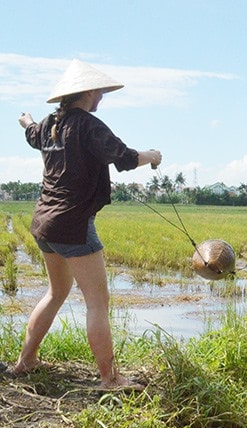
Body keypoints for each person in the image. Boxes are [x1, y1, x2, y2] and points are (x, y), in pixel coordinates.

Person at [13, 59, 162, 390]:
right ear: (91, 92)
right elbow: (123, 157)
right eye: (101, 93)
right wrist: (152, 155)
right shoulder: (88, 125)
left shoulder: (51, 123)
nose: (102, 99)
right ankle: (110, 378)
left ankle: (25, 362)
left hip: (44, 223)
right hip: (74, 223)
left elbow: (32, 134)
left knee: (56, 292)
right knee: (97, 302)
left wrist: (26, 120)